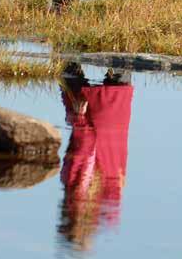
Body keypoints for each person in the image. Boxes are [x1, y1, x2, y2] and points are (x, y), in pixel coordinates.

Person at [58, 63, 134, 252]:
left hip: (116, 108)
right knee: (67, 62)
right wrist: (78, 118)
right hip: (98, 111)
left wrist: (79, 118)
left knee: (121, 60)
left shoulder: (111, 212)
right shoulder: (75, 190)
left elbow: (87, 148)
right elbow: (84, 146)